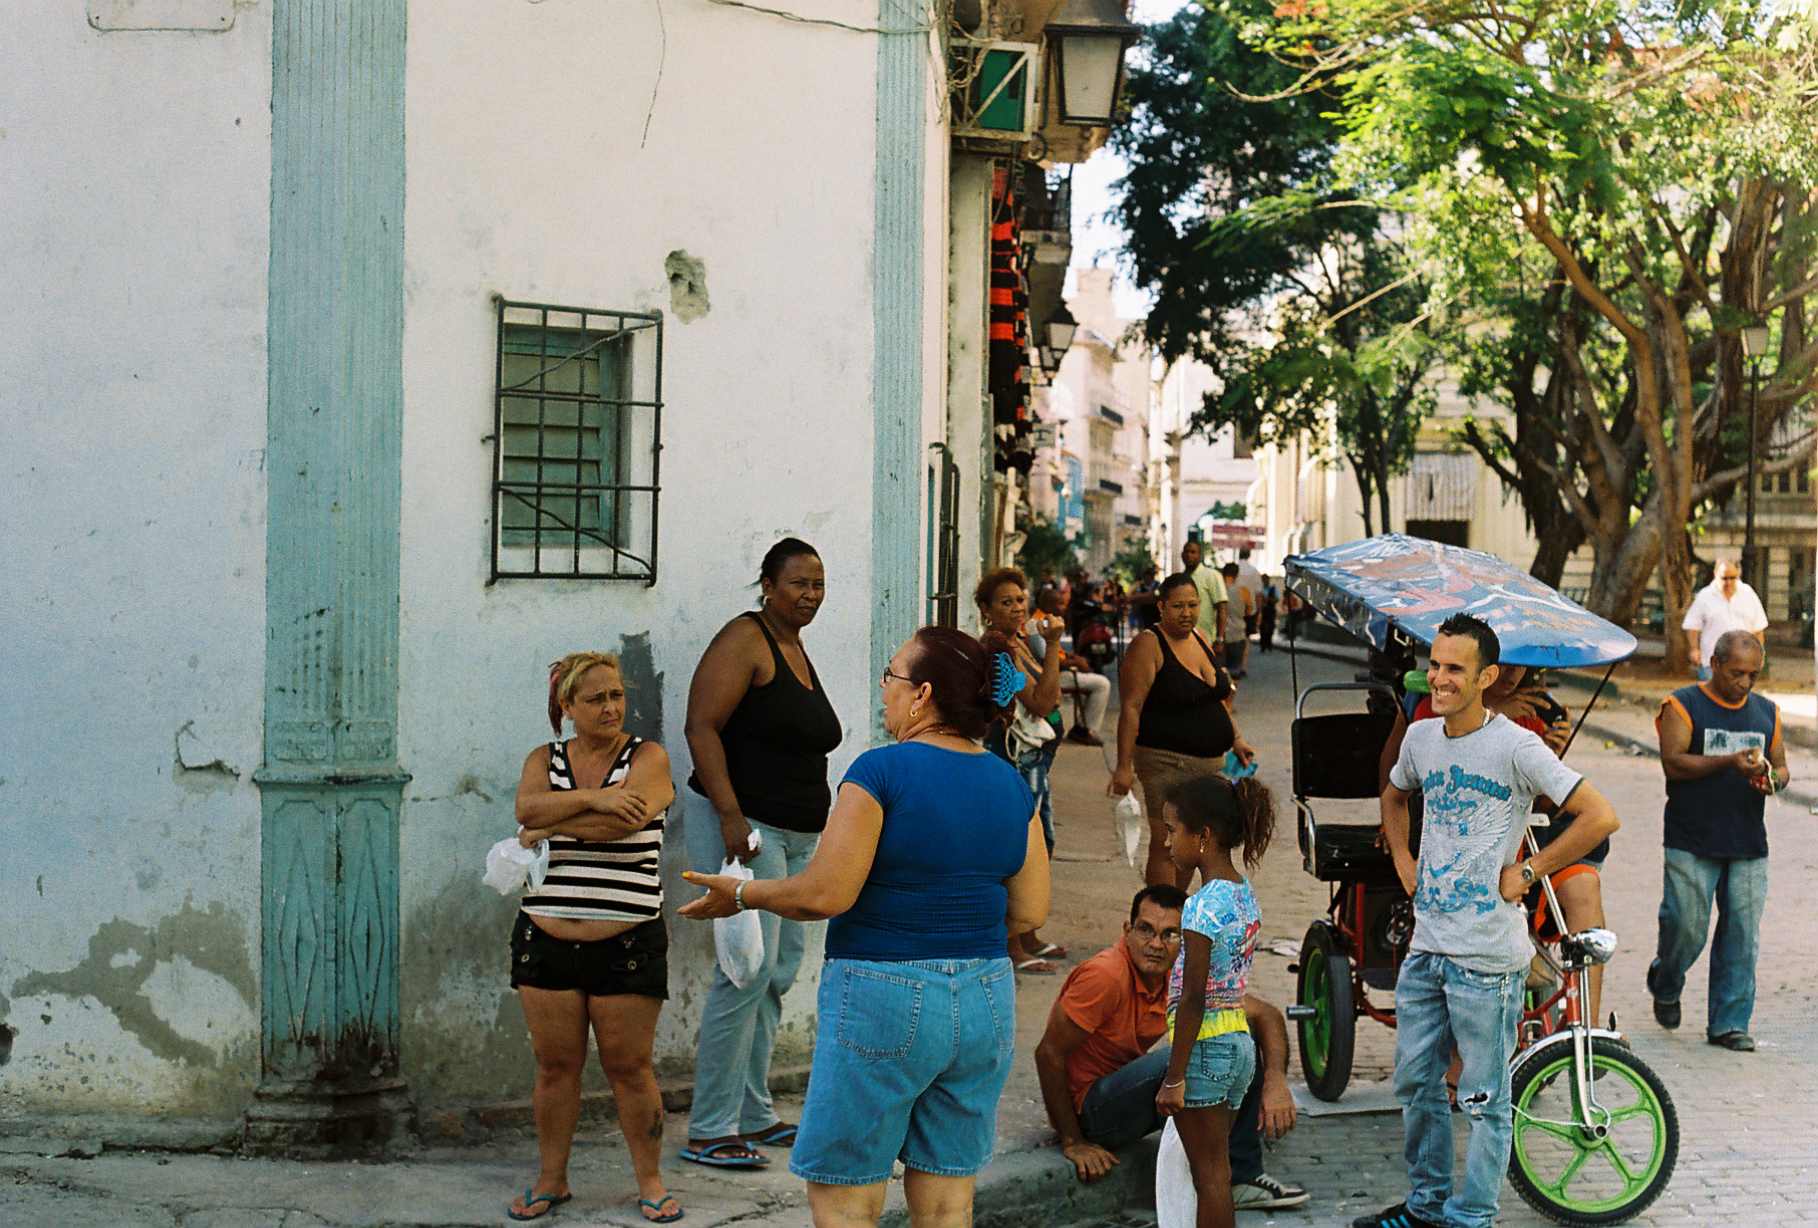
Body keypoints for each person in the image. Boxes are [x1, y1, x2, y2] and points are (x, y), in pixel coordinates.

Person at [678, 626, 1050, 1228]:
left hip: (886, 995)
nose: (884, 688)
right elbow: (1031, 912)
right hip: (986, 997)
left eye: (892, 675)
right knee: (950, 1201)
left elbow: (824, 893)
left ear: (922, 694)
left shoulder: (881, 771)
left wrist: (743, 892)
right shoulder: (1010, 782)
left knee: (846, 1200)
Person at [1364, 615, 1620, 1228]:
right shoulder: (1423, 738)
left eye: (1455, 669)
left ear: (1488, 677)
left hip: (1488, 962)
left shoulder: (1515, 746)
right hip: (1427, 951)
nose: (1440, 678)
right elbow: (1394, 794)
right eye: (1435, 665)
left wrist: (1529, 872)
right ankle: (1426, 1207)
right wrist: (1403, 857)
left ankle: (1472, 1215)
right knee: (1416, 1088)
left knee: (1484, 1101)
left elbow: (1599, 815)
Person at [680, 537, 843, 1169]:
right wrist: (729, 818)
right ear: (767, 585)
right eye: (799, 583)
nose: (811, 594)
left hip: (799, 835)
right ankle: (710, 1126)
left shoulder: (794, 645)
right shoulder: (746, 638)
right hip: (750, 830)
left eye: (819, 584)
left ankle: (753, 1111)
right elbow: (701, 726)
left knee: (776, 974)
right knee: (744, 971)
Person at [507, 653, 680, 1223]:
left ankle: (650, 1182)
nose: (611, 707)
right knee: (555, 1067)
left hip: (626, 945)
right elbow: (525, 806)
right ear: (567, 707)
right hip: (546, 938)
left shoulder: (647, 757)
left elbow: (625, 821)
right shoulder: (545, 759)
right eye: (595, 699)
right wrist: (594, 797)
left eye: (616, 696)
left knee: (630, 1069)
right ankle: (551, 1179)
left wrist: (553, 823)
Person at [1033, 885, 1307, 1211]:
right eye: (1145, 930)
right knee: (1190, 1058)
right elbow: (1047, 1052)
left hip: (1129, 1094)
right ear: (1127, 930)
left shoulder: (1179, 976)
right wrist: (1073, 1141)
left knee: (1235, 1034)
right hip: (1091, 1112)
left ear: (1186, 941)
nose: (1155, 944)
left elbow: (1266, 1015)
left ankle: (1240, 1173)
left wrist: (1276, 1082)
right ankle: (1226, 1173)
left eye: (1169, 934)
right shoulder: (1106, 975)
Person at [1647, 630, 1788, 1052]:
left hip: (1747, 840)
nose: (1744, 683)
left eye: (1753, 675)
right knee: (1686, 927)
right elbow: (1673, 763)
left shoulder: (1767, 713)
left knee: (1742, 935)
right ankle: (1666, 982)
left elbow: (1781, 766)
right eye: (1736, 673)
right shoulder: (1682, 704)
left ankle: (1729, 1023)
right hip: (1691, 837)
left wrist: (1772, 781)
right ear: (1714, 663)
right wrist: (1729, 761)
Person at [1154, 774, 1276, 1228]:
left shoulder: (1201, 907)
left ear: (1202, 836)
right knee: (1216, 1172)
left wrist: (1175, 1075)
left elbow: (1192, 998)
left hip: (1205, 1051)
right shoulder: (1244, 896)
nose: (1166, 844)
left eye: (1172, 831)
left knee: (1208, 1178)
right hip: (1239, 1049)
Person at [1107, 572, 1256, 889]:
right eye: (1177, 606)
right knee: (1166, 844)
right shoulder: (1149, 644)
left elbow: (1214, 700)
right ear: (1161, 606)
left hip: (1209, 767)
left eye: (1192, 605)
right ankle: (1162, 916)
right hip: (1165, 763)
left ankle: (1177, 909)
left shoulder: (1201, 636)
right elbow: (1131, 707)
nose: (1186, 613)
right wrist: (1123, 766)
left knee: (1194, 847)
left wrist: (1236, 738)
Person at [977, 567, 1068, 972]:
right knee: (1019, 849)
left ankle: (1027, 932)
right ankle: (1011, 944)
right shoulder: (999, 650)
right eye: (1006, 602)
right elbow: (1044, 701)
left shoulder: (1018, 642)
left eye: (1020, 599)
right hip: (1012, 758)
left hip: (1032, 758)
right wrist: (1052, 645)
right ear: (985, 609)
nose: (1017, 608)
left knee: (1041, 842)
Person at [1032, 587, 1113, 746]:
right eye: (1061, 603)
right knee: (1102, 684)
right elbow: (1048, 660)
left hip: (1053, 674)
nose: (1065, 607)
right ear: (1049, 607)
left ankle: (1079, 727)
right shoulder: (1039, 626)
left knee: (1089, 684)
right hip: (1046, 678)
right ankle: (1085, 730)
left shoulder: (1049, 622)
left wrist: (1073, 658)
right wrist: (1075, 662)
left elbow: (1057, 652)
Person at [1682, 557, 1767, 680]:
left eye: (1732, 578)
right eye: (1724, 578)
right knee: (1710, 699)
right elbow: (1692, 625)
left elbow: (1758, 627)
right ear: (1715, 575)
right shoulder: (1704, 596)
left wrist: (1759, 654)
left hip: (1742, 664)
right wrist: (1694, 649)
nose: (1729, 582)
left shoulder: (1749, 594)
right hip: (1712, 665)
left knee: (1739, 699)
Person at [1181, 539, 1227, 661]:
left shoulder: (1211, 575)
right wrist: (1130, 599)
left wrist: (1219, 639)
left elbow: (1222, 608)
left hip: (1206, 643)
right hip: (1182, 643)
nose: (1189, 555)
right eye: (1186, 552)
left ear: (1200, 556)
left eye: (1193, 552)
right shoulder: (1180, 578)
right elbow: (1157, 595)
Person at [1219, 563, 1249, 679]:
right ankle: (1229, 697)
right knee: (1234, 674)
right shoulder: (1243, 591)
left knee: (1218, 673)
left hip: (1220, 636)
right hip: (1238, 634)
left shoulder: (1218, 590)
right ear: (1237, 575)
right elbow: (1250, 610)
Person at [1256, 577, 1278, 654]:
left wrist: (1267, 599)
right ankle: (1263, 646)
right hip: (1263, 610)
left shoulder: (1273, 588)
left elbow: (1276, 599)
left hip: (1270, 610)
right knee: (1262, 628)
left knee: (1270, 628)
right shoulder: (1260, 588)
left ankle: (1269, 645)